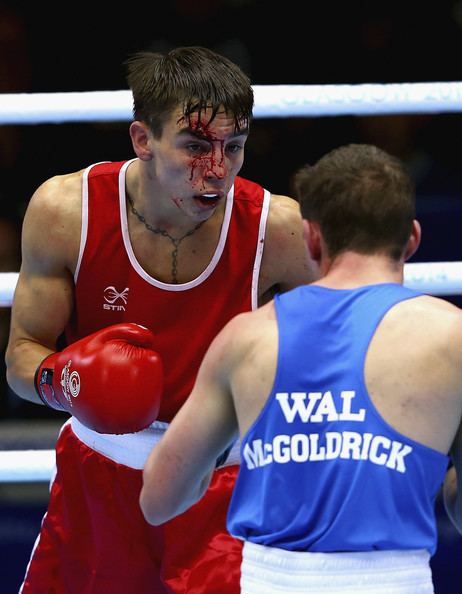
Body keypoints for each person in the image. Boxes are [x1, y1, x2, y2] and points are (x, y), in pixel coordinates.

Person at [4, 46, 314, 594]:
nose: (217, 171)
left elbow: (341, 358)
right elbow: (23, 353)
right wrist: (69, 382)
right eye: (195, 146)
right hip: (98, 477)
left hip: (226, 486)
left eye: (234, 147)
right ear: (143, 140)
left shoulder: (279, 230)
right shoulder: (65, 212)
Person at [140, 143, 462, 594]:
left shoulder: (246, 337)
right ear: (411, 238)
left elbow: (158, 499)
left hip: (268, 579)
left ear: (310, 239)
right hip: (396, 578)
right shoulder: (453, 335)